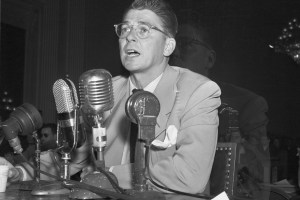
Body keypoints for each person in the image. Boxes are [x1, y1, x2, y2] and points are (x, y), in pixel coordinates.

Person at [4, 0, 221, 194]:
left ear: (168, 46)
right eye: (125, 28)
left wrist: (109, 176)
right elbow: (73, 154)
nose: (129, 36)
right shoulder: (106, 91)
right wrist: (20, 171)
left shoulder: (199, 92)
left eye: (144, 29)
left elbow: (189, 176)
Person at [169, 10, 270, 198]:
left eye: (185, 44)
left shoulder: (245, 105)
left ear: (210, 59)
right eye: (172, 43)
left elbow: (253, 186)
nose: (175, 51)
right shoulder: (150, 102)